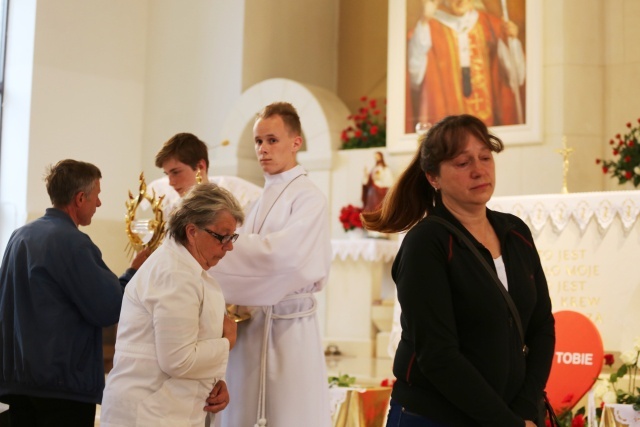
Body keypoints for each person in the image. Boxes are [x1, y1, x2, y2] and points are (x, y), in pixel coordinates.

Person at [362, 114, 555, 426]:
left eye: (484, 157)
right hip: (435, 416)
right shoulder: (426, 243)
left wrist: (523, 407)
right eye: (463, 163)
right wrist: (506, 422)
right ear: (433, 177)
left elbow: (542, 325)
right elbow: (438, 355)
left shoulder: (515, 232)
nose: (479, 170)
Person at [0, 159, 148, 427]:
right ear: (80, 198)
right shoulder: (72, 242)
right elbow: (108, 307)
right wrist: (133, 271)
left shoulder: (19, 237)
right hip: (62, 386)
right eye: (97, 196)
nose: (99, 204)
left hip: (19, 380)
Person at [210, 102, 332, 427]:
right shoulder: (259, 200)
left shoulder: (309, 198)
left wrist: (217, 247)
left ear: (296, 142)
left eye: (272, 140)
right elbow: (252, 255)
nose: (262, 149)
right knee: (244, 413)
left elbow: (284, 258)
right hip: (251, 327)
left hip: (288, 329)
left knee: (288, 413)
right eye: (258, 141)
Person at [100, 183, 242, 427]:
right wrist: (227, 342)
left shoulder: (189, 269)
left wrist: (216, 382)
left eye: (232, 237)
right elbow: (178, 360)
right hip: (150, 413)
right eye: (223, 236)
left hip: (168, 409)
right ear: (192, 231)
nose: (229, 246)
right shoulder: (174, 275)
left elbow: (192, 342)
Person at [406, 0, 526, 132]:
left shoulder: (491, 24)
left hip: (487, 126)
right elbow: (415, 77)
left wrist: (512, 41)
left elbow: (516, 78)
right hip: (447, 129)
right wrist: (424, 22)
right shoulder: (429, 27)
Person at [150, 132, 262, 218]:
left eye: (176, 172)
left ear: (200, 166)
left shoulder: (239, 201)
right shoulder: (172, 211)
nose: (171, 182)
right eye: (167, 174)